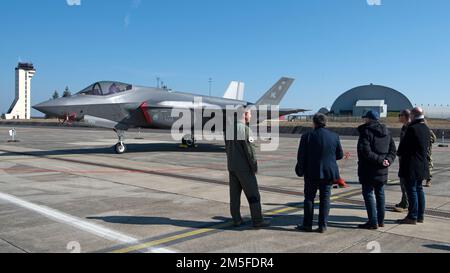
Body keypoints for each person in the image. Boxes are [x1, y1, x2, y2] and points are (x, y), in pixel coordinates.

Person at [296, 113, 344, 233]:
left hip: (311, 172)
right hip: (328, 173)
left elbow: (301, 156)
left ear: (314, 123)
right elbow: (340, 155)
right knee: (325, 199)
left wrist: (300, 170)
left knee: (309, 198)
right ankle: (322, 225)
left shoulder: (307, 136)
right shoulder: (334, 136)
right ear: (325, 122)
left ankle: (307, 224)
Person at [224, 107, 270, 229]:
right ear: (244, 115)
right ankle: (258, 220)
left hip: (232, 167)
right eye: (249, 114)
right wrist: (254, 166)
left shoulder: (228, 129)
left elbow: (227, 149)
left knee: (234, 196)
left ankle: (236, 219)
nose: (250, 116)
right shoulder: (245, 130)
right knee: (254, 195)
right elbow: (250, 151)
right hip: (244, 168)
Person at [357, 110, 396, 229]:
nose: (364, 120)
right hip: (382, 170)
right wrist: (387, 160)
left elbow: (366, 152)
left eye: (365, 118)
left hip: (368, 169)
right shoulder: (387, 132)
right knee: (380, 194)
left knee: (368, 194)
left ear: (369, 119)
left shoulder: (366, 132)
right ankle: (380, 220)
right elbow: (393, 150)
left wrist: (380, 160)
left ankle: (373, 221)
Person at [397, 107, 430, 224]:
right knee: (419, 189)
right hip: (422, 164)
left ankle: (412, 216)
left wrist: (399, 153)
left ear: (414, 115)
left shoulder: (412, 129)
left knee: (411, 191)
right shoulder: (425, 128)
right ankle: (420, 215)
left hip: (411, 165)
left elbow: (402, 148)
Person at [394, 109, 411, 213]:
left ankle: (406, 203)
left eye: (400, 115)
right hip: (403, 159)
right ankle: (404, 201)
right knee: (403, 182)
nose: (398, 117)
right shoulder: (405, 127)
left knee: (405, 182)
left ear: (405, 116)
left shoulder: (410, 128)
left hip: (408, 160)